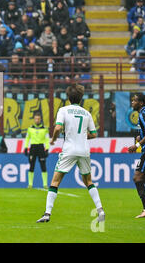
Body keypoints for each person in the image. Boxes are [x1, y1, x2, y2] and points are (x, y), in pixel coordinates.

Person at [36, 83, 105, 223]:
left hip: (69, 149)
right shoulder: (86, 113)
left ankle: (47, 213)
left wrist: (54, 140)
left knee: (55, 181)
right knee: (88, 181)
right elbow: (93, 134)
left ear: (68, 97)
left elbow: (57, 128)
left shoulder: (63, 110)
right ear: (81, 98)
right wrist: (81, 136)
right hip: (84, 150)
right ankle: (100, 210)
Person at [24, 113, 50, 189]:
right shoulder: (30, 128)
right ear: (34, 119)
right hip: (33, 148)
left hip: (41, 147)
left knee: (43, 166)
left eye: (38, 119)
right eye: (36, 119)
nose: (37, 120)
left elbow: (47, 139)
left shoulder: (45, 129)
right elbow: (27, 139)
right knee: (31, 166)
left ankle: (45, 184)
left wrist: (47, 148)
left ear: (40, 119)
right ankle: (30, 184)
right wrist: (26, 148)